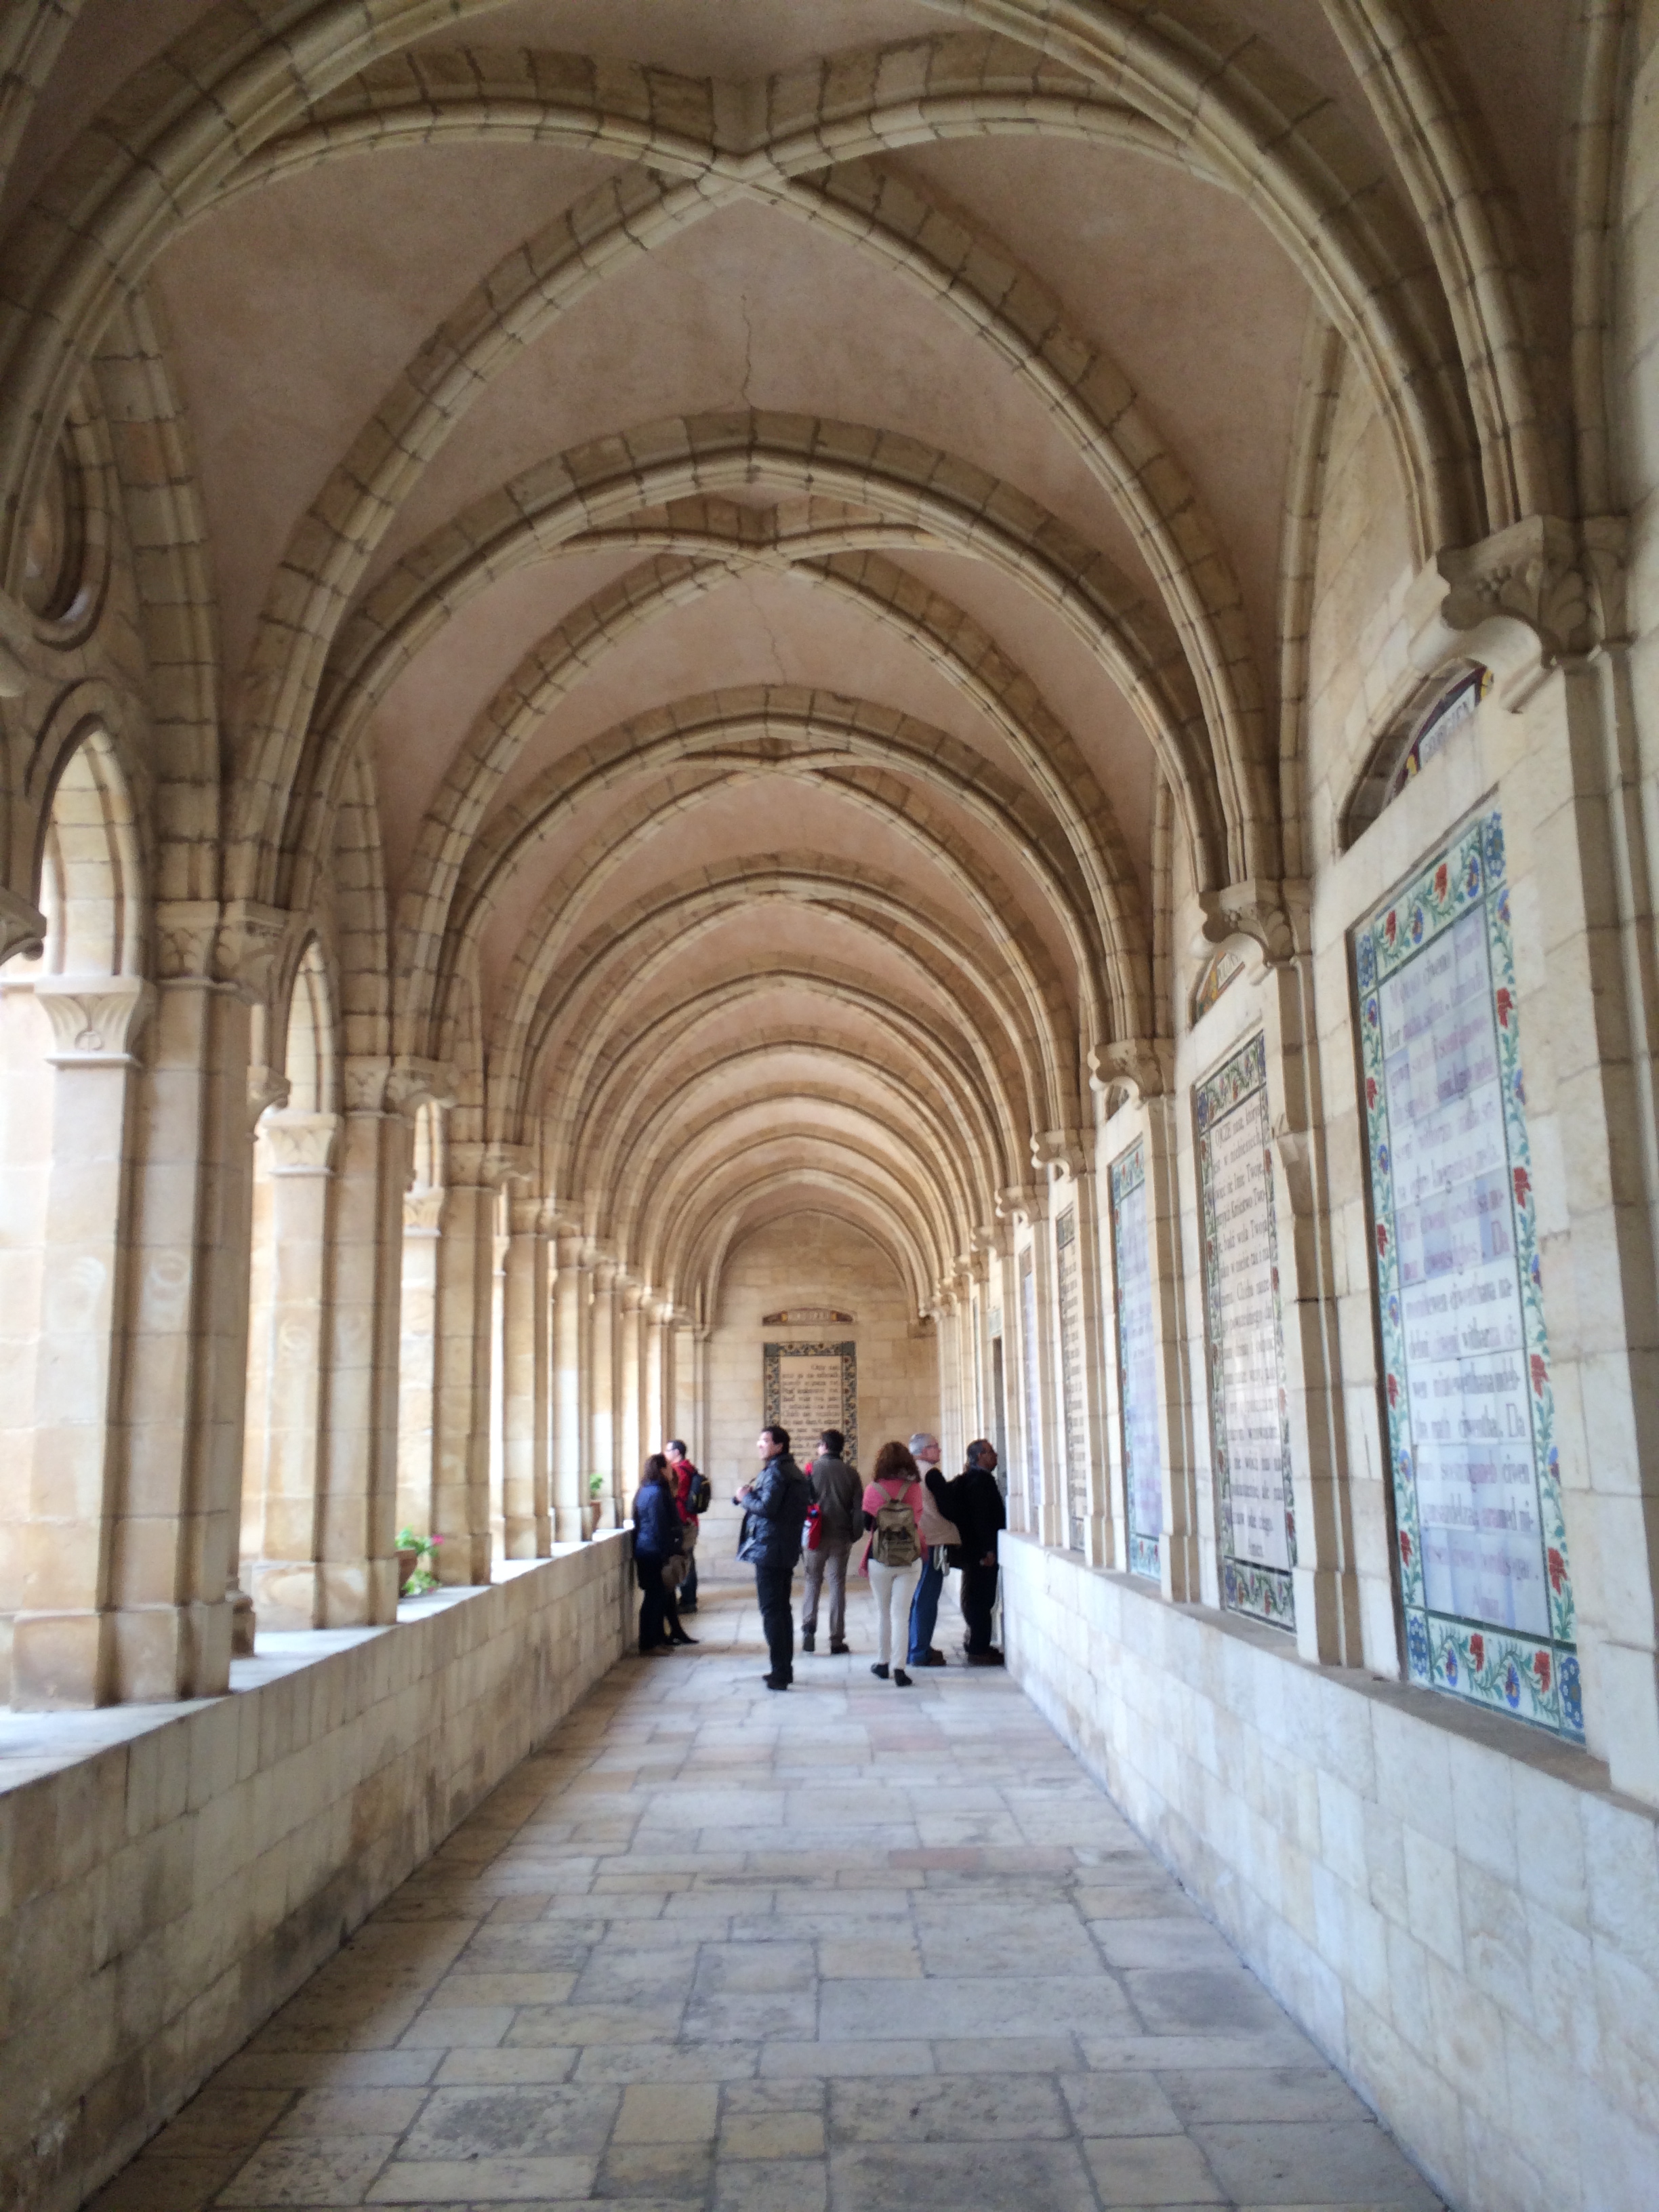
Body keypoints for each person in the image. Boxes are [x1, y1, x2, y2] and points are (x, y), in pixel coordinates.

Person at [735, 1425, 811, 1690]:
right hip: (782, 1548)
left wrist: (745, 1498)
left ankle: (780, 1673)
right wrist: (748, 1497)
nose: (760, 1444)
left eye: (765, 1441)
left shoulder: (777, 1471)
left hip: (770, 1549)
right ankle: (783, 1669)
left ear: (779, 1446)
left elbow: (768, 1508)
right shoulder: (789, 1470)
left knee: (772, 1612)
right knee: (781, 1610)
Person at [928, 1439, 1007, 1663]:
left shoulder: (968, 1479)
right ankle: (978, 1649)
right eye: (990, 1452)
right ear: (980, 1456)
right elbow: (981, 1519)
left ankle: (975, 1642)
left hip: (971, 1550)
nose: (995, 1455)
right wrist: (987, 1550)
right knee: (980, 1599)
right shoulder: (980, 1482)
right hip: (980, 1551)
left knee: (974, 1595)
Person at [861, 1441, 927, 1685]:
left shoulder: (873, 1489)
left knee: (884, 1613)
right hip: (910, 1557)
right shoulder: (915, 1489)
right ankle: (900, 1668)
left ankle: (882, 1663)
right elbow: (917, 1519)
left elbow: (866, 1525)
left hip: (880, 1558)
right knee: (902, 1613)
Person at [800, 1427, 861, 1655]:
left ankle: (809, 1627)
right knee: (837, 1585)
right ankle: (837, 1639)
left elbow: (801, 1504)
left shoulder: (811, 1470)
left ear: (825, 1446)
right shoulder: (851, 1473)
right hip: (840, 1536)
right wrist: (855, 1534)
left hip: (815, 1536)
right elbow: (858, 1510)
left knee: (812, 1581)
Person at [631, 1454, 697, 1655]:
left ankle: (658, 1639)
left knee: (658, 1596)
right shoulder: (658, 1493)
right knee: (654, 1598)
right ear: (661, 1470)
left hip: (647, 1549)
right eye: (668, 1467)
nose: (672, 1470)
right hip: (654, 1551)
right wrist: (670, 1551)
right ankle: (648, 1644)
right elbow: (660, 1525)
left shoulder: (646, 1490)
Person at [906, 1430, 959, 1669]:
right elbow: (949, 1507)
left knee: (914, 1595)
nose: (939, 1450)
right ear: (924, 1451)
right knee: (927, 1596)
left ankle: (913, 1645)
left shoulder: (906, 1472)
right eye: (935, 1446)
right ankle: (920, 1651)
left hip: (911, 1541)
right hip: (933, 1540)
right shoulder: (931, 1473)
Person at [665, 1438, 705, 1612]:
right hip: (690, 1520)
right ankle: (689, 1599)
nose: (665, 1454)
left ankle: (689, 1601)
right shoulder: (690, 1468)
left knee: (684, 1561)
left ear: (677, 1452)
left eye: (668, 1450)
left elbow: (673, 1494)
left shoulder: (678, 1471)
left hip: (683, 1521)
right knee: (688, 1559)